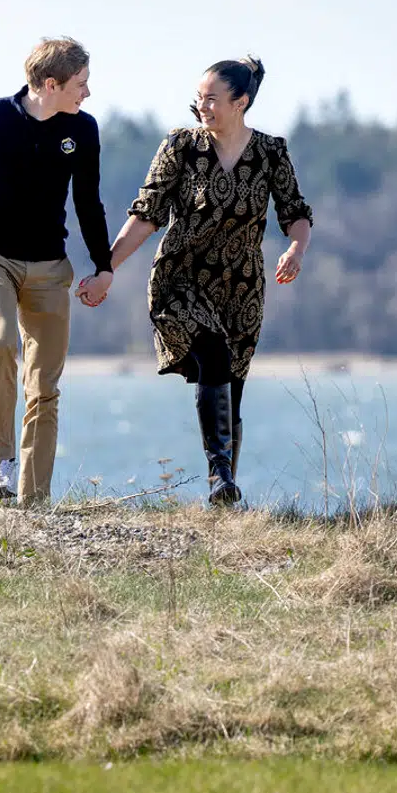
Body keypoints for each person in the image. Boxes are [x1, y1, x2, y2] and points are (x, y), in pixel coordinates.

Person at [83, 56, 313, 505]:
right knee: (212, 353)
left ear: (240, 102)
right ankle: (219, 476)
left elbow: (295, 212)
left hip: (242, 286)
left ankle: (226, 492)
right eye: (199, 98)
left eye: (212, 99)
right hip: (180, 278)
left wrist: (296, 249)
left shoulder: (271, 152)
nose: (202, 106)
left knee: (234, 386)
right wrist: (106, 269)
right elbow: (146, 215)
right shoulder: (181, 146)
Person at [0, 37, 114, 504]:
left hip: (50, 269)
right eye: (81, 84)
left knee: (43, 385)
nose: (88, 93)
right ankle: (0, 465)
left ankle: (33, 500)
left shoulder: (84, 129)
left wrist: (104, 266)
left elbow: (88, 203)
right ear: (51, 83)